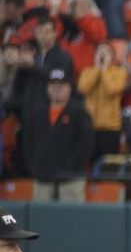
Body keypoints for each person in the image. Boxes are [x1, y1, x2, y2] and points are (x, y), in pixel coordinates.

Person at [26, 69, 94, 203]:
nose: (57, 89)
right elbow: (28, 142)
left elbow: (86, 145)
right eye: (53, 86)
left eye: (61, 86)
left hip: (70, 180)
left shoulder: (80, 113)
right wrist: (34, 166)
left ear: (69, 88)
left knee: (72, 220)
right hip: (42, 179)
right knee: (41, 220)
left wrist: (69, 168)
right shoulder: (37, 113)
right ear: (47, 88)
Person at [77, 41, 129, 163]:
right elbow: (83, 88)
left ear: (112, 57)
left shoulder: (120, 73)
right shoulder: (87, 72)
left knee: (107, 164)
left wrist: (104, 70)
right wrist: (97, 70)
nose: (102, 55)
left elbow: (112, 89)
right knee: (89, 162)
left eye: (106, 52)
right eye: (99, 51)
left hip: (110, 127)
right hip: (90, 126)